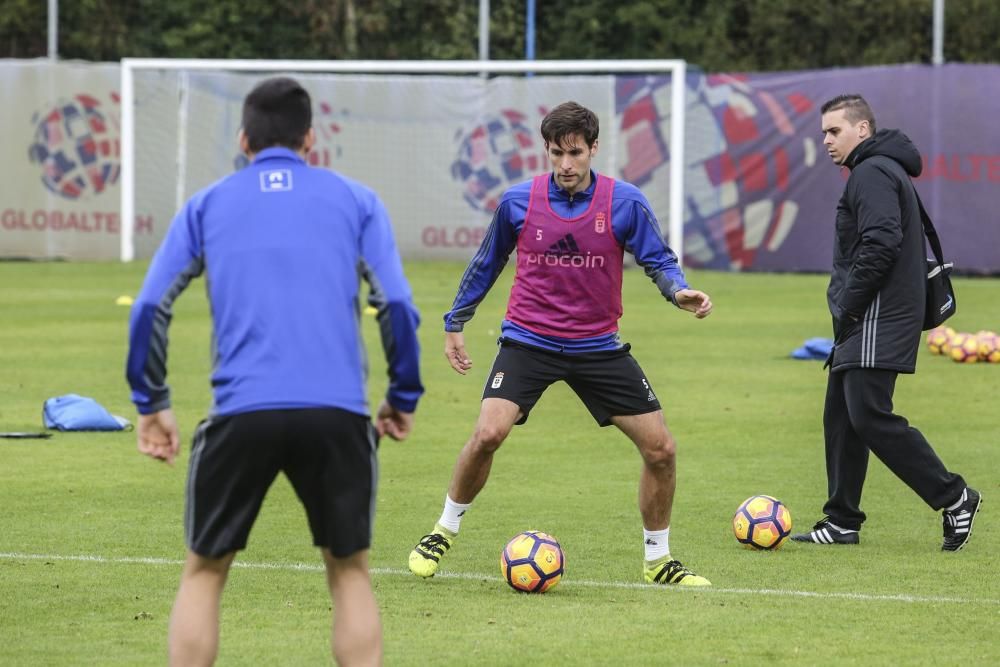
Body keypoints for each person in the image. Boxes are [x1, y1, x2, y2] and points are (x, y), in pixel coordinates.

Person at [126, 77, 423, 666]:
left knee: (204, 572)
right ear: (310, 138)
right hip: (337, 415)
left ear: (243, 139)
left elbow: (148, 306)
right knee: (350, 572)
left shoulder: (207, 204)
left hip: (241, 412)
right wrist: (402, 393)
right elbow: (395, 303)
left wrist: (151, 400)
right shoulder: (358, 201)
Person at [407, 101, 713, 586]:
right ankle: (444, 529)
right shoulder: (518, 202)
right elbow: (486, 264)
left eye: (575, 153)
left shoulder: (623, 201)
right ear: (546, 151)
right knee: (488, 433)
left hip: (597, 346)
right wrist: (455, 321)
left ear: (594, 148)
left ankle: (659, 560)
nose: (566, 164)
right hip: (528, 341)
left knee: (662, 449)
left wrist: (678, 290)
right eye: (556, 153)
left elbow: (657, 259)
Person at [791, 94, 981, 551]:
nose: (826, 141)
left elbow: (880, 243)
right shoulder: (876, 169)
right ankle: (841, 521)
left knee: (870, 415)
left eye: (834, 131)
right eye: (823, 133)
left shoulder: (872, 171)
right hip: (871, 311)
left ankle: (954, 496)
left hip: (877, 311)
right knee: (842, 414)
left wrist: (850, 304)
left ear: (862, 129)